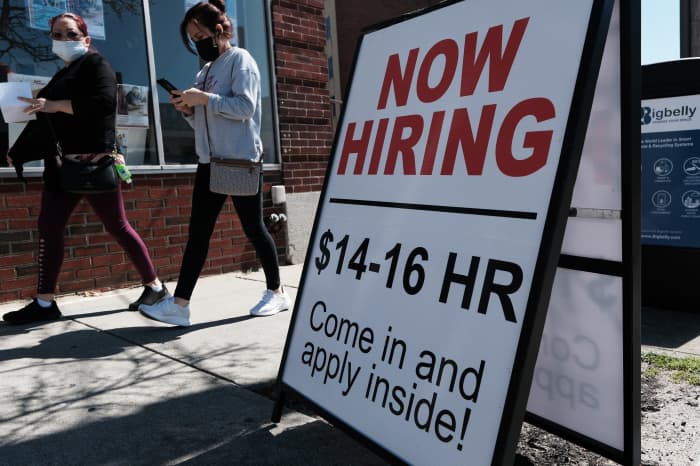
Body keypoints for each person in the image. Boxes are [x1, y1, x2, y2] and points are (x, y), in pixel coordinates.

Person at [2, 12, 169, 325]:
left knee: (117, 226)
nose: (63, 40)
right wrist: (19, 151)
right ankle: (45, 302)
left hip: (94, 164)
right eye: (56, 35)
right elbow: (44, 122)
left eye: (70, 34)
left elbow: (104, 103)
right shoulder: (60, 76)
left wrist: (54, 105)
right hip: (62, 166)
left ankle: (156, 287)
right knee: (49, 227)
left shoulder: (96, 64)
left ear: (86, 39)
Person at [139, 0, 291, 327]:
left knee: (254, 228)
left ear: (218, 30)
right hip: (209, 161)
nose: (197, 43)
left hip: (239, 159)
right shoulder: (205, 71)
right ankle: (180, 306)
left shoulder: (241, 60)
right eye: (192, 39)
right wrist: (188, 110)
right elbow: (206, 120)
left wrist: (204, 99)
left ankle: (277, 292)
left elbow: (246, 107)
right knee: (198, 233)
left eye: (199, 36)